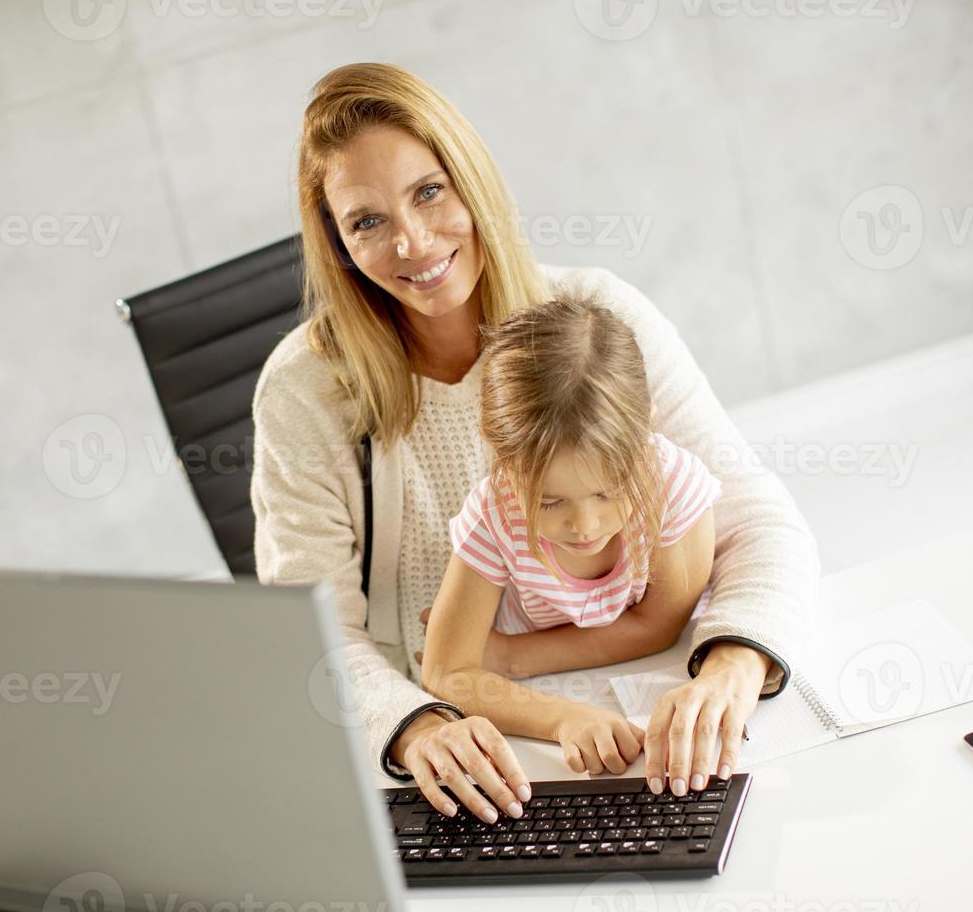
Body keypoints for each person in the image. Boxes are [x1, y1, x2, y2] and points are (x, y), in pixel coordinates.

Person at [251, 62, 819, 822]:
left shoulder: (597, 318)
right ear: (337, 242)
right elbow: (311, 632)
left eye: (429, 191)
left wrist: (734, 662)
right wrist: (413, 725)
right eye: (367, 221)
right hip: (447, 732)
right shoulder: (302, 388)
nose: (414, 243)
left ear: (472, 181)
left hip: (637, 703)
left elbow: (761, 521)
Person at [417, 294, 721, 808]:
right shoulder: (494, 514)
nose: (585, 526)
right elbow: (445, 673)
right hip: (547, 704)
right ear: (502, 459)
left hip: (621, 680)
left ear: (645, 428)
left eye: (609, 491)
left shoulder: (671, 482)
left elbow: (662, 625)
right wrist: (563, 719)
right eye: (550, 501)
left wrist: (510, 657)